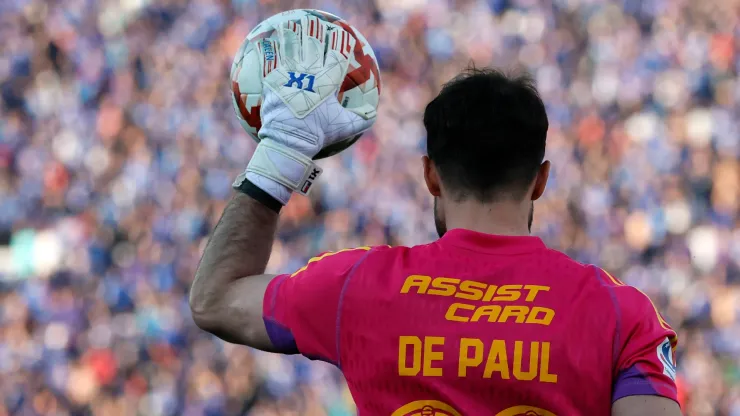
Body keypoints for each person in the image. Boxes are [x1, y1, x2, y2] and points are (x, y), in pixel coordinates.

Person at [189, 17, 682, 416]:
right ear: (540, 180)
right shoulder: (624, 316)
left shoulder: (358, 286)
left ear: (431, 176)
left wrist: (283, 153)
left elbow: (215, 299)